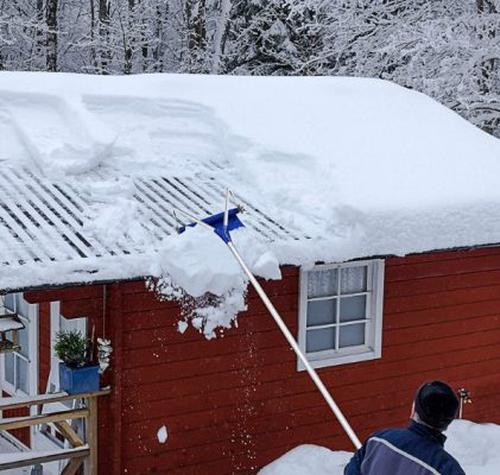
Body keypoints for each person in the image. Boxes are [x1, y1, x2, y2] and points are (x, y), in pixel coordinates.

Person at [344, 380, 465, 475]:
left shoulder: (379, 440)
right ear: (448, 421)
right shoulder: (446, 468)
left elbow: (351, 470)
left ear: (414, 410)